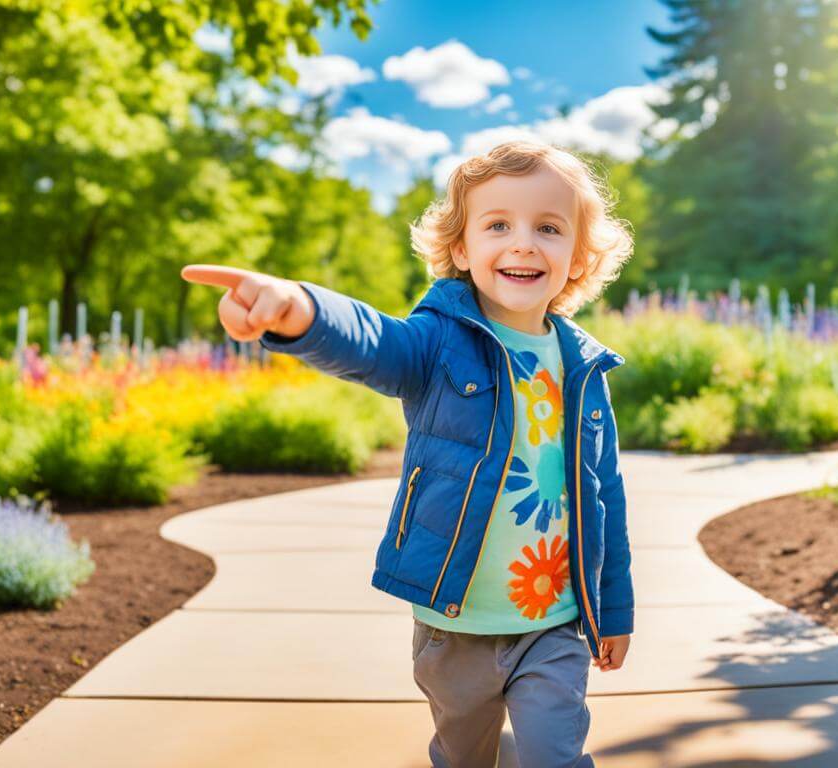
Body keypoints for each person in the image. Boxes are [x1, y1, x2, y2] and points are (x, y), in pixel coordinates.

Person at [181, 140, 635, 768]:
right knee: (463, 755)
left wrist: (612, 609)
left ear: (578, 257)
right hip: (455, 622)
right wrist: (299, 310)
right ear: (461, 248)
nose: (525, 243)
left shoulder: (585, 368)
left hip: (552, 622)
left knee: (557, 755)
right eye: (498, 224)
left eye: (549, 228)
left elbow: (604, 494)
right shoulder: (438, 343)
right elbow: (374, 342)